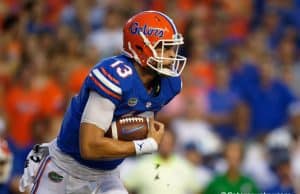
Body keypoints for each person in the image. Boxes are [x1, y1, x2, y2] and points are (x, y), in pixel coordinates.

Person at [19, 10, 186, 194]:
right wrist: (143, 146)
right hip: (66, 169)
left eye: (173, 48)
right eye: (165, 47)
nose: (171, 56)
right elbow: (89, 147)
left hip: (107, 175)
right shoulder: (115, 76)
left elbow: (138, 117)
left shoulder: (170, 83)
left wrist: (145, 132)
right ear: (140, 47)